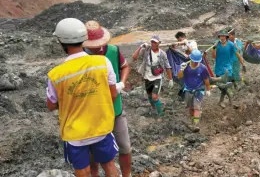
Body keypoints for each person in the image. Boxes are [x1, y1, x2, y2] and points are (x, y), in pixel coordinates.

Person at [46, 18, 119, 177]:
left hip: (75, 134)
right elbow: (113, 94)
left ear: (61, 42)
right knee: (109, 164)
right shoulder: (102, 62)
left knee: (84, 171)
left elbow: (51, 105)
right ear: (83, 38)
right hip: (101, 126)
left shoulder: (56, 75)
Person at [82, 21, 132, 177]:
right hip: (92, 114)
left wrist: (122, 83)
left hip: (115, 109)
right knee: (93, 155)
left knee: (125, 147)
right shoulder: (82, 56)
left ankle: (126, 174)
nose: (95, 47)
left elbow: (125, 66)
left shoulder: (113, 51)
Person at [133, 35, 173, 117]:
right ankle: (154, 108)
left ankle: (160, 114)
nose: (153, 44)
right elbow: (134, 57)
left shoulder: (162, 54)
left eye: (155, 42)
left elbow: (167, 66)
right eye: (152, 42)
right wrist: (140, 47)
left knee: (154, 96)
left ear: (159, 43)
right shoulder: (146, 50)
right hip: (147, 76)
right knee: (149, 96)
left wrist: (170, 79)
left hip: (157, 77)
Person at [178, 50, 211, 132]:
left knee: (196, 107)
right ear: (191, 59)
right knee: (190, 108)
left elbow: (206, 80)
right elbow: (179, 77)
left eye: (197, 61)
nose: (196, 63)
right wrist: (181, 69)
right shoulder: (186, 67)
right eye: (194, 61)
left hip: (199, 90)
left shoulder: (202, 68)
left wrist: (208, 89)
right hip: (188, 90)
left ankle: (196, 125)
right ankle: (193, 119)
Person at [212, 30, 245, 108]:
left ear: (226, 37)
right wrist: (214, 47)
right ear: (219, 37)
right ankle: (229, 95)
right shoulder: (217, 44)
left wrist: (243, 65)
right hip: (218, 68)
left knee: (224, 84)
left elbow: (238, 54)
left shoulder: (231, 45)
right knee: (220, 85)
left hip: (227, 68)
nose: (222, 37)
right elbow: (213, 56)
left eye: (224, 36)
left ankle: (221, 101)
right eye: (221, 36)